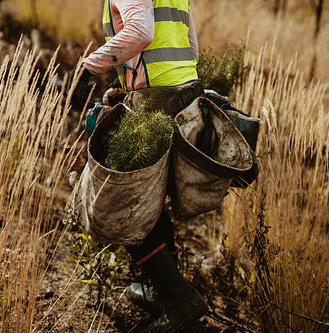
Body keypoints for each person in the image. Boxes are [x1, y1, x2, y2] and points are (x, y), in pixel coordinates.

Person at [73, 0, 208, 332]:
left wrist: (91, 68)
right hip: (186, 92)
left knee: (125, 201)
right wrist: (128, 83)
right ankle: (162, 293)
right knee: (152, 196)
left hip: (157, 99)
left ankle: (178, 298)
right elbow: (191, 46)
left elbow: (141, 31)